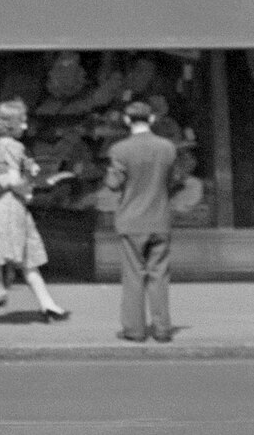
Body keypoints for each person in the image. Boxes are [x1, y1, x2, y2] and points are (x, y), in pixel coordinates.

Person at [0, 99, 69, 325]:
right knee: (0, 257)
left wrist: (25, 169)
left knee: (24, 257)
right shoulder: (14, 146)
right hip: (11, 207)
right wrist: (32, 186)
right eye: (23, 120)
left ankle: (47, 304)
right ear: (13, 123)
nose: (26, 125)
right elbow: (13, 180)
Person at [105, 98, 180, 344]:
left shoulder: (120, 150)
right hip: (160, 219)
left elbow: (113, 184)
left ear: (127, 120)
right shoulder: (167, 147)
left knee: (133, 275)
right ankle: (163, 329)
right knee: (159, 275)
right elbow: (172, 182)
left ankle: (135, 331)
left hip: (132, 220)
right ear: (152, 119)